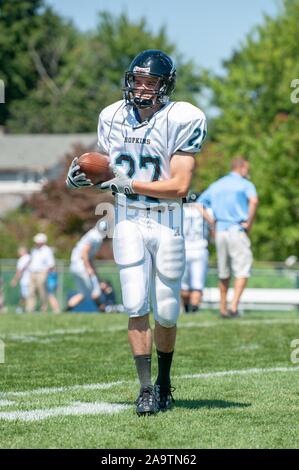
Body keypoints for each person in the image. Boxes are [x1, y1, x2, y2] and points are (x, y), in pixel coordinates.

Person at [66, 49, 207, 415]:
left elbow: (178, 185)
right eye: (138, 81)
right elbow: (106, 169)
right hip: (128, 219)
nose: (142, 89)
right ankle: (145, 389)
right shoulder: (112, 116)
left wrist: (129, 184)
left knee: (168, 310)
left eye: (151, 82)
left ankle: (164, 381)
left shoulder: (183, 117)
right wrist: (83, 175)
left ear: (165, 86)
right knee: (134, 304)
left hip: (168, 221)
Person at [198, 157, 259, 318]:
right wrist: (249, 223)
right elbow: (254, 201)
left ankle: (222, 308)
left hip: (220, 232)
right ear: (242, 168)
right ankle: (233, 307)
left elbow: (199, 204)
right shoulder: (245, 184)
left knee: (223, 272)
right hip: (236, 230)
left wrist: (212, 222)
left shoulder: (217, 184)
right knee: (242, 269)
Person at [181, 193, 211, 313]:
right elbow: (213, 223)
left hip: (183, 249)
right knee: (197, 285)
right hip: (200, 249)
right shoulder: (204, 210)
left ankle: (187, 310)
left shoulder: (180, 210)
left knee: (183, 285)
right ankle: (194, 311)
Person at [66, 222, 107, 311]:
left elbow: (89, 257)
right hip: (81, 265)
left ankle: (65, 310)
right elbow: (84, 253)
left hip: (75, 265)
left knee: (83, 293)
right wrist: (88, 268)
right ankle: (103, 310)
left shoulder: (92, 234)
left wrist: (95, 274)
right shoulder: (95, 237)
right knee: (96, 291)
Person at [26, 233, 56, 312]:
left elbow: (51, 264)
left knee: (42, 291)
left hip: (42, 273)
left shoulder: (47, 250)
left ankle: (43, 308)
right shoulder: (34, 250)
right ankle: (30, 309)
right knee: (31, 291)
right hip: (32, 272)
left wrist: (47, 273)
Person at [10, 246, 31, 312]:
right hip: (31, 279)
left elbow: (19, 271)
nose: (18, 252)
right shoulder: (30, 257)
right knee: (26, 295)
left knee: (25, 295)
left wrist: (15, 280)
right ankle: (24, 308)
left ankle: (26, 309)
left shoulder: (22, 259)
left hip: (25, 280)